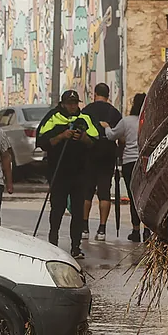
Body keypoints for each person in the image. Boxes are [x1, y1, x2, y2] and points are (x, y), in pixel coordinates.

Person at [37, 89, 99, 259]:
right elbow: (42, 141)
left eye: (75, 103)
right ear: (63, 104)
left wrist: (83, 137)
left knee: (78, 211)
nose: (72, 106)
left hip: (80, 172)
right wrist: (62, 136)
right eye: (69, 103)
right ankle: (53, 241)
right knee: (57, 208)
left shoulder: (85, 118)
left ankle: (76, 246)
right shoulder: (53, 117)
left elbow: (97, 141)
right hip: (58, 172)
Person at [82, 82, 123, 241]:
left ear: (94, 94)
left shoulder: (86, 111)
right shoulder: (114, 113)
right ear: (108, 95)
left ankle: (84, 227)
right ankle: (102, 229)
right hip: (108, 155)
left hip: (89, 154)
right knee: (104, 192)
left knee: (87, 192)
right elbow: (121, 137)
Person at [105, 93, 144, 242]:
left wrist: (107, 127)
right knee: (144, 196)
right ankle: (147, 230)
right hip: (146, 162)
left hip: (129, 162)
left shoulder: (126, 121)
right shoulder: (148, 120)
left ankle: (135, 230)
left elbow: (112, 135)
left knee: (133, 197)